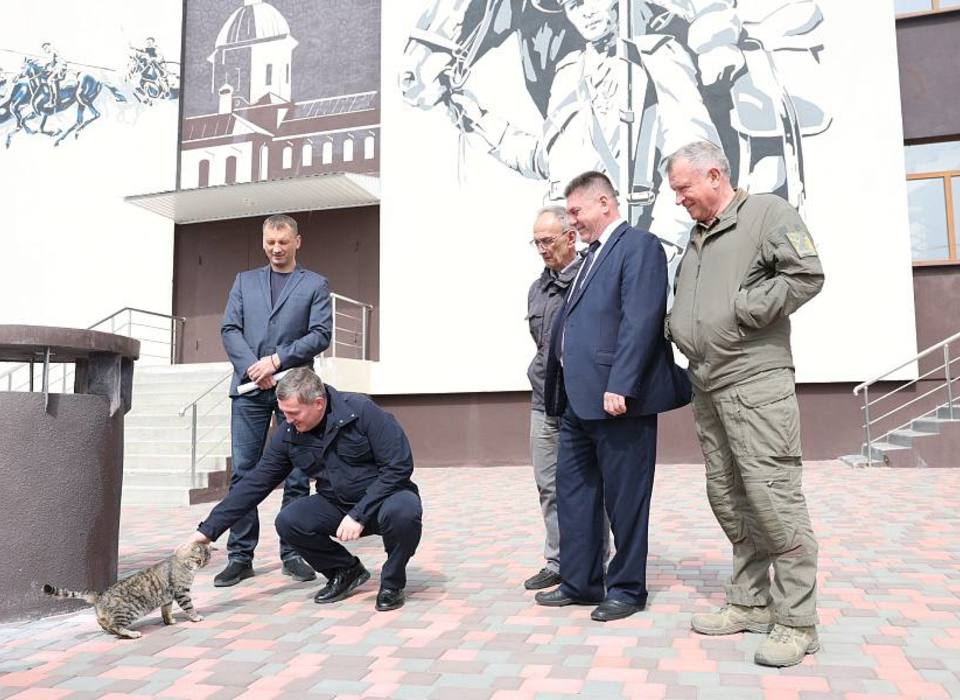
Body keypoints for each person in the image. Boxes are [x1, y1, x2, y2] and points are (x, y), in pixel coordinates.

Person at [665, 140, 824, 667]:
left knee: (774, 496)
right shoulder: (698, 235)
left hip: (755, 382)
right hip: (707, 386)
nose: (679, 199)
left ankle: (797, 621)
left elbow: (806, 274)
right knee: (730, 496)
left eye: (684, 189)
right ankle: (751, 601)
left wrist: (743, 310)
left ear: (714, 175)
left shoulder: (767, 214)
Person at [536, 171, 690, 621]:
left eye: (577, 212)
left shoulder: (639, 246)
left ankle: (626, 589)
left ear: (604, 203)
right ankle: (580, 582)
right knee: (575, 496)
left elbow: (641, 320)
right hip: (577, 404)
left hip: (618, 402)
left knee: (625, 501)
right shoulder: (589, 257)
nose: (573, 222)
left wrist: (621, 383)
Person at [186, 368, 423, 612]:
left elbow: (398, 467)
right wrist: (206, 532)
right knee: (290, 520)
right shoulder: (290, 433)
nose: (287, 420)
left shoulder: (362, 411)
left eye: (293, 413)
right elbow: (254, 484)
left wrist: (359, 514)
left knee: (404, 512)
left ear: (318, 403)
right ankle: (345, 570)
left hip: (385, 498)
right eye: (284, 413)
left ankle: (393, 583)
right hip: (338, 504)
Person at [216, 214, 332, 587]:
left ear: (298, 241)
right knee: (245, 472)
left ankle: (293, 551)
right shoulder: (243, 282)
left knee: (298, 472)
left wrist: (276, 361)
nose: (276, 249)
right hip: (249, 390)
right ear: (263, 242)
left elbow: (320, 334)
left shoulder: (314, 284)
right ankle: (240, 555)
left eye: (283, 242)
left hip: (295, 390)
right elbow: (230, 328)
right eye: (270, 242)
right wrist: (254, 367)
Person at [523, 205, 582, 591]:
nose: (542, 249)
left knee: (587, 488)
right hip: (544, 402)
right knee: (548, 486)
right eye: (537, 242)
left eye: (548, 240)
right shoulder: (537, 288)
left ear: (571, 237)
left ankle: (594, 560)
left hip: (580, 404)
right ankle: (558, 560)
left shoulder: (588, 279)